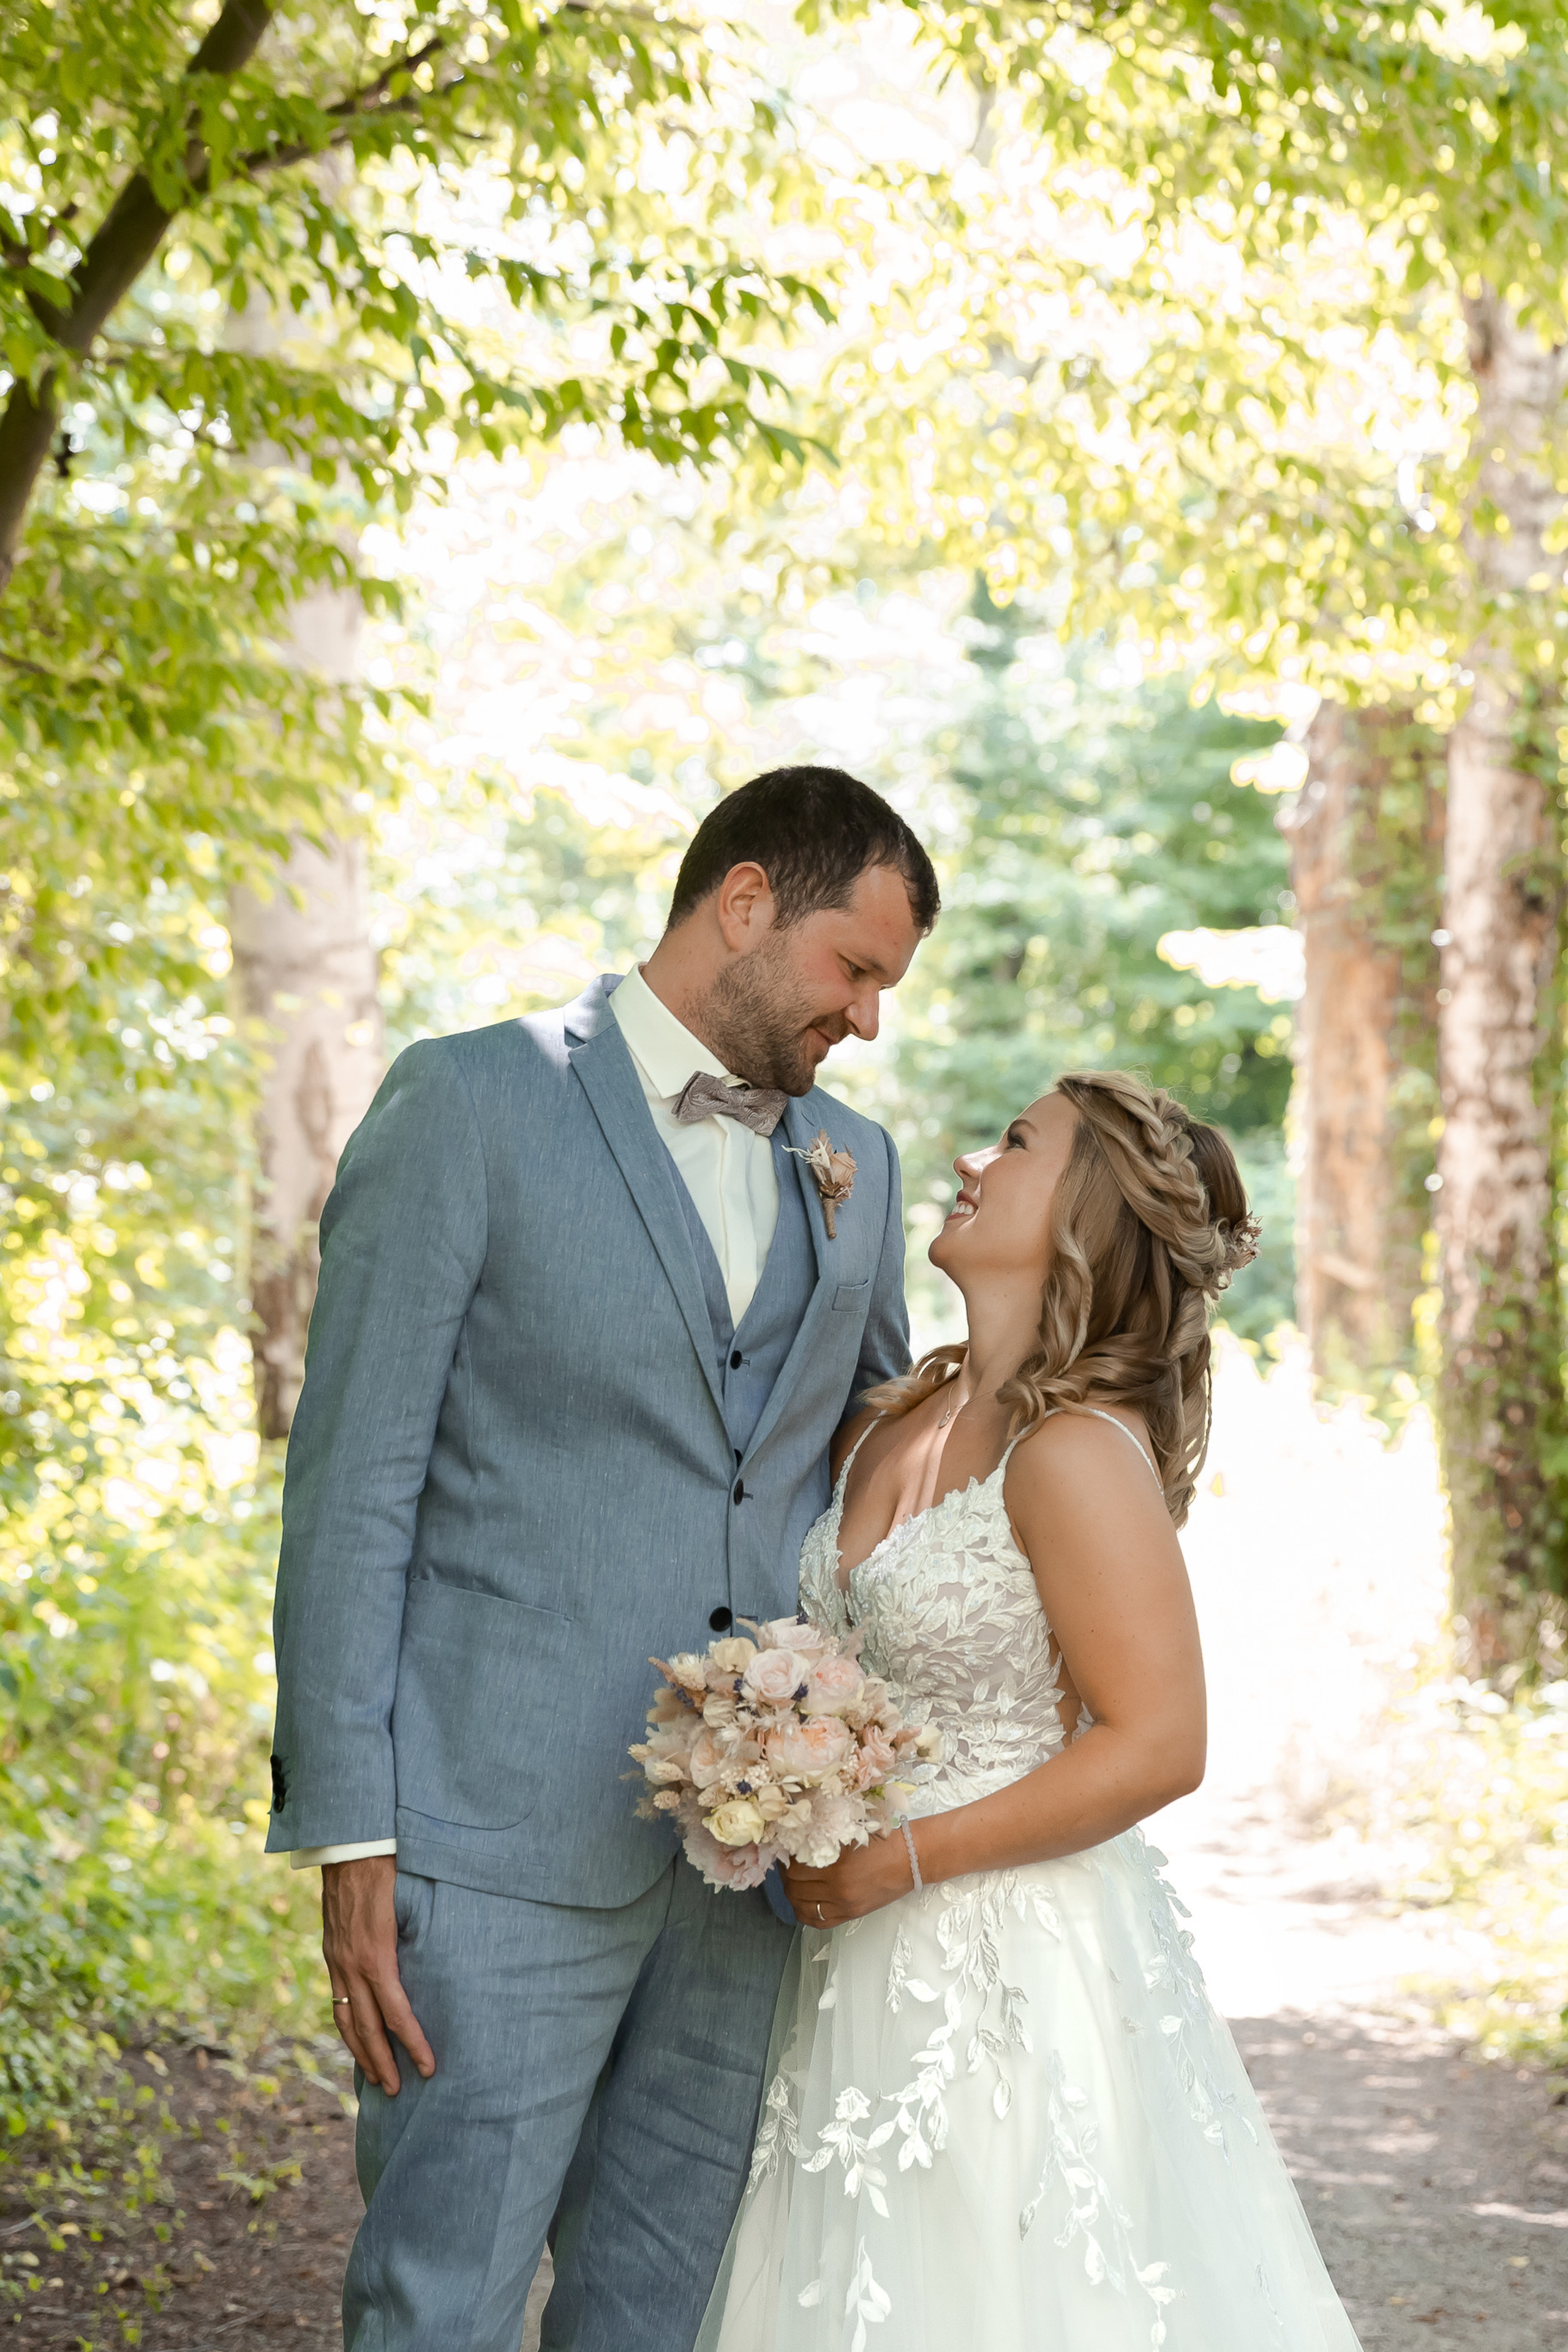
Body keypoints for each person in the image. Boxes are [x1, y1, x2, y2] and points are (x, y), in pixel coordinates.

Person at [263, 765, 940, 2352]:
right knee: (440, 2301)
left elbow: (881, 1459)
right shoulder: (468, 1103)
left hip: (745, 1869)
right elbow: (352, 1491)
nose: (869, 1018)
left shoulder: (860, 1165)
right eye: (856, 967)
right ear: (748, 899)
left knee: (665, 2311)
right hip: (488, 1841)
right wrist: (351, 1838)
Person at [696, 1070, 1365, 2351]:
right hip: (853, 1958)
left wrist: (899, 1858)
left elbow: (1158, 1744)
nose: (971, 1160)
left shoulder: (1071, 1453)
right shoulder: (896, 1417)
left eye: (1013, 1144)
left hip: (1005, 1956)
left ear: (1082, 1216)